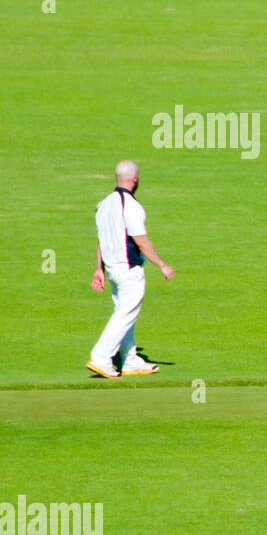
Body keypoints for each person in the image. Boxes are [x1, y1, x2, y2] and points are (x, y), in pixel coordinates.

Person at [87, 161, 174, 379]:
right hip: (128, 269)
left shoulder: (103, 204)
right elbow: (142, 242)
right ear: (134, 179)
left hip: (112, 269)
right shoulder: (131, 206)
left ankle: (130, 360)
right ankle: (101, 357)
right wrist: (162, 264)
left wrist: (99, 269)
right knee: (126, 314)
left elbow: (101, 239)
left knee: (125, 313)